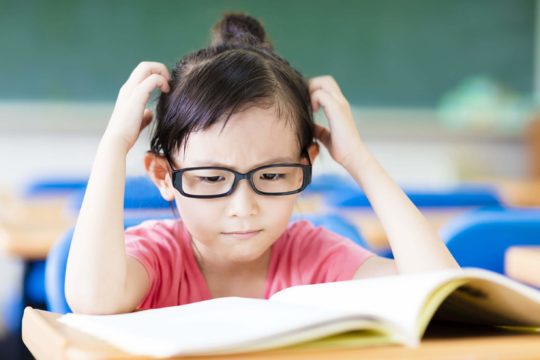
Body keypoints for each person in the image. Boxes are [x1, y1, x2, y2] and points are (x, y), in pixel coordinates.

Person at [65, 13, 459, 315]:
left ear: (305, 167)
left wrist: (359, 161)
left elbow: (439, 295)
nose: (244, 207)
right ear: (164, 176)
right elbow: (92, 298)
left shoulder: (314, 257)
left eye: (271, 175)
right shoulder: (157, 256)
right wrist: (113, 147)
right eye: (211, 177)